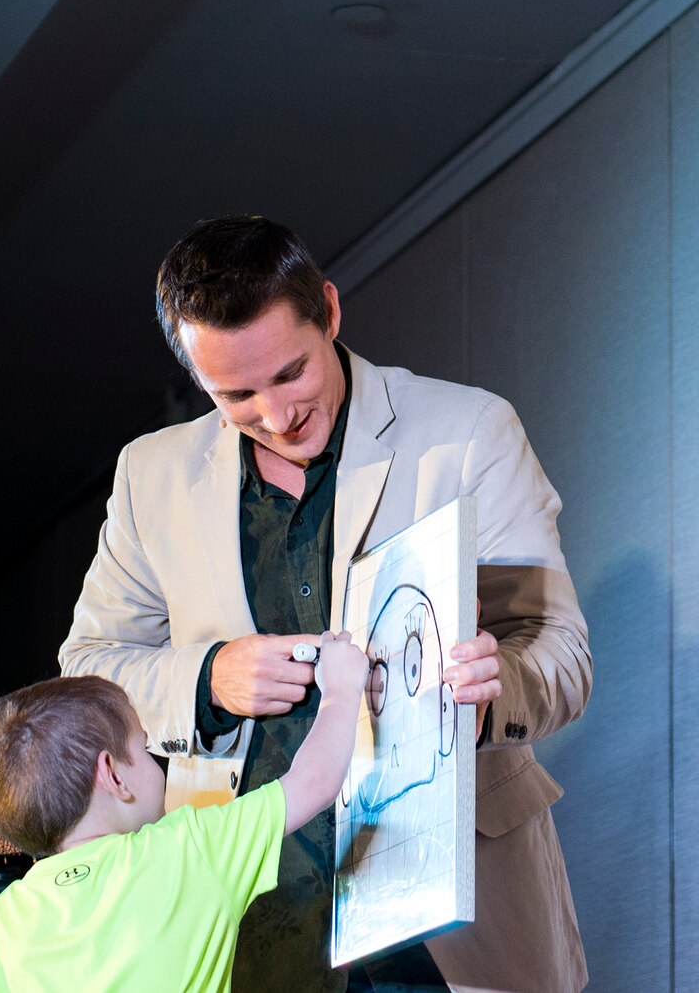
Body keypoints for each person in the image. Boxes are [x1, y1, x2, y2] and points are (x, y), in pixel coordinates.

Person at [60, 215, 591, 993]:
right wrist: (209, 678)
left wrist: (489, 693)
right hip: (248, 929)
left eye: (290, 374)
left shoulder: (468, 431)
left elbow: (557, 649)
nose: (276, 415)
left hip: (451, 928)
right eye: (235, 394)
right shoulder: (151, 475)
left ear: (331, 313)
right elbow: (89, 672)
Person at [0, 634, 367, 993]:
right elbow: (315, 782)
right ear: (113, 774)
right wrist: (342, 689)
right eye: (144, 745)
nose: (157, 760)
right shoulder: (186, 848)